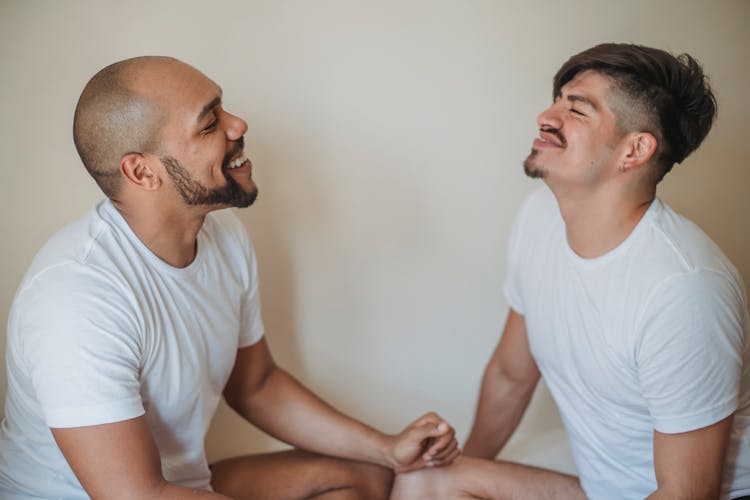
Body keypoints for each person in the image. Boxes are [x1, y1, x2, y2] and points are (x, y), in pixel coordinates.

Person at [0, 56, 460, 500]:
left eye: (223, 107)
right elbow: (136, 496)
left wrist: (386, 448)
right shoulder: (75, 298)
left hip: (178, 487)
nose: (238, 125)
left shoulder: (224, 238)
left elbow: (256, 385)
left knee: (367, 477)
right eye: (209, 123)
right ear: (142, 171)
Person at [392, 43, 750, 499]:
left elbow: (685, 493)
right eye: (557, 100)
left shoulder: (683, 289)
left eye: (576, 110)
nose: (546, 116)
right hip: (596, 487)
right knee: (423, 481)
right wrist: (463, 471)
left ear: (634, 149)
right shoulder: (539, 216)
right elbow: (510, 375)